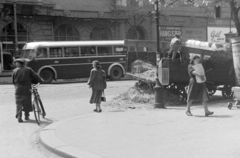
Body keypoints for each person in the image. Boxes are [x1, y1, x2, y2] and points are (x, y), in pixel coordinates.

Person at [12, 58, 44, 123]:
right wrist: (41, 81)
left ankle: (19, 117)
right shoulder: (28, 70)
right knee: (27, 102)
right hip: (27, 88)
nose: (15, 64)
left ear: (19, 64)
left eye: (16, 63)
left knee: (19, 103)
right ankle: (27, 116)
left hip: (18, 89)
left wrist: (16, 86)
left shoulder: (15, 71)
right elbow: (36, 76)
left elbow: (13, 81)